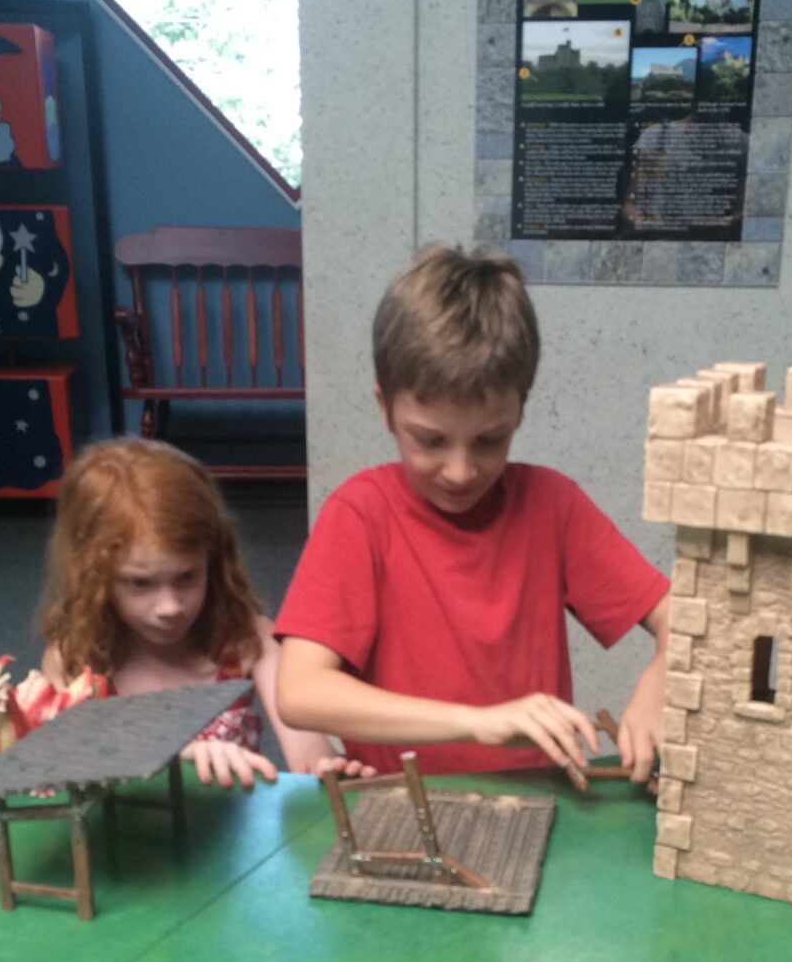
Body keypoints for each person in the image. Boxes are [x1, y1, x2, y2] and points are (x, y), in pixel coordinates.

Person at [275, 244, 670, 780]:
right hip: (402, 802)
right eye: (430, 440)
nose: (460, 472)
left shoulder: (553, 505)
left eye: (489, 440)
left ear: (519, 412)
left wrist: (660, 679)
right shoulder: (360, 514)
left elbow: (683, 620)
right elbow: (299, 691)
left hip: (533, 798)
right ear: (385, 408)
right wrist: (476, 722)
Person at [39, 439, 363, 788]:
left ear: (214, 561)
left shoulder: (248, 641)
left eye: (187, 576)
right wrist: (182, 758)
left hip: (238, 822)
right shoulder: (75, 660)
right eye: (140, 583)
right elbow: (68, 777)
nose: (170, 607)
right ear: (93, 577)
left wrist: (332, 773)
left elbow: (310, 760)